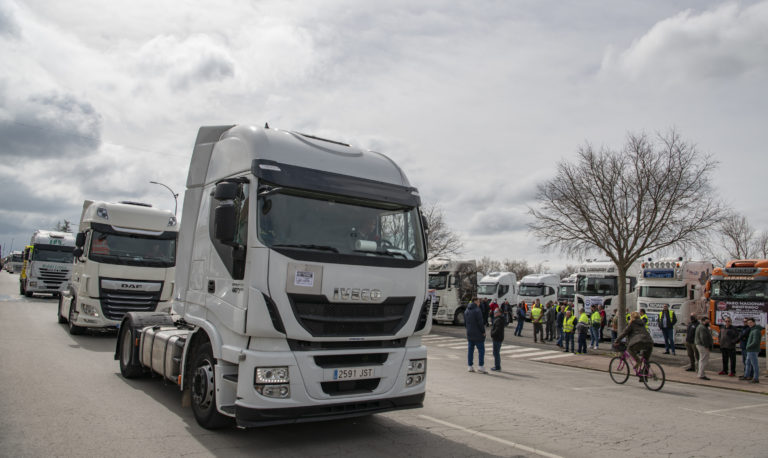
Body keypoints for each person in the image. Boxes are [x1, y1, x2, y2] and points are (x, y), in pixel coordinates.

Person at [615, 311, 654, 378]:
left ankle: (638, 361)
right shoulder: (642, 323)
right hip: (649, 342)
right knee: (646, 360)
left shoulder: (632, 323)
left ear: (632, 317)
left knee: (629, 349)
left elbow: (624, 333)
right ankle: (644, 376)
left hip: (639, 341)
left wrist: (617, 340)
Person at [464, 298, 486, 373]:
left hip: (470, 333)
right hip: (478, 334)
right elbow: (480, 322)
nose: (479, 303)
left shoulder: (466, 310)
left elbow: (465, 323)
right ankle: (480, 366)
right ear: (476, 302)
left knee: (470, 350)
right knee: (481, 350)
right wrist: (483, 331)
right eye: (479, 302)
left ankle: (470, 366)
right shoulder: (477, 310)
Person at [743, 318, 763, 384]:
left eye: (751, 322)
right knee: (747, 363)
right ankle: (746, 375)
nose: (749, 324)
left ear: (754, 322)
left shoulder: (756, 331)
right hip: (750, 350)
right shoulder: (753, 330)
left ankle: (756, 378)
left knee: (754, 365)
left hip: (753, 350)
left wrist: (748, 346)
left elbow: (755, 342)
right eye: (748, 323)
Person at [695, 316, 713, 380]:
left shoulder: (701, 327)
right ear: (703, 321)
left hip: (699, 344)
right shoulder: (702, 328)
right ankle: (701, 374)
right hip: (702, 345)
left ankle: (700, 373)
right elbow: (703, 338)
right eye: (707, 322)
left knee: (702, 359)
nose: (708, 323)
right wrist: (707, 346)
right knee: (704, 360)